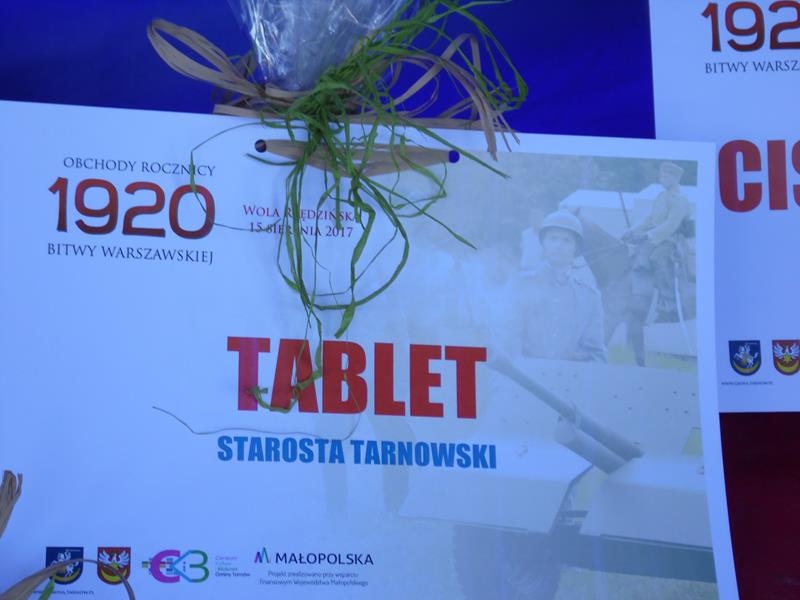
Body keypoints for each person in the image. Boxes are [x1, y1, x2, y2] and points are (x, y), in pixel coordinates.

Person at [513, 210, 606, 362]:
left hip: (572, 375)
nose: (559, 246)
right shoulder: (520, 285)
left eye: (567, 241)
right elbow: (508, 339)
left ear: (576, 248)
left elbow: (595, 352)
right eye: (553, 238)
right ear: (543, 243)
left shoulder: (589, 297)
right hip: (525, 372)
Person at [623, 161, 691, 320]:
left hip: (672, 239)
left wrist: (648, 235)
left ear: (675, 178)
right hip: (655, 237)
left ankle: (669, 301)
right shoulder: (661, 196)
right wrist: (631, 231)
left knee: (656, 258)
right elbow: (649, 218)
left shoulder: (680, 199)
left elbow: (672, 224)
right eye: (661, 176)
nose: (662, 179)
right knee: (632, 253)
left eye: (665, 176)